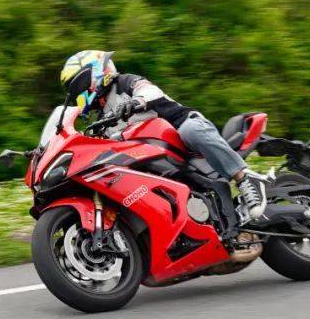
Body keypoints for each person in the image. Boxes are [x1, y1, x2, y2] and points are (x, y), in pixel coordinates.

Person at [59, 50, 268, 220]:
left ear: (96, 73)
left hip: (182, 131)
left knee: (190, 130)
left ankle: (244, 178)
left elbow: (149, 90)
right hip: (150, 157)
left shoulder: (124, 83)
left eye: (78, 85)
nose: (76, 93)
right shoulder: (100, 119)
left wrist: (138, 101)